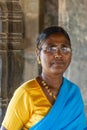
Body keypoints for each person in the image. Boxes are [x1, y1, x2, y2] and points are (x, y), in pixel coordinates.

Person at [0, 26, 87, 130]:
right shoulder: (26, 93)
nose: (58, 54)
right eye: (51, 48)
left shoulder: (73, 92)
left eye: (64, 48)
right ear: (38, 54)